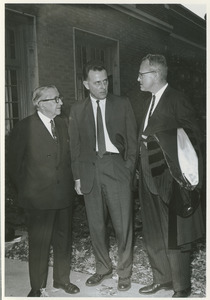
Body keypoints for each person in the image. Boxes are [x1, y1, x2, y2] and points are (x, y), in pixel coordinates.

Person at [136, 54, 205, 298]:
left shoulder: (178, 99)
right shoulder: (147, 101)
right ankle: (162, 279)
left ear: (155, 75)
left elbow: (194, 136)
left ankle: (181, 287)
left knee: (176, 234)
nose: (138, 79)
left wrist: (158, 137)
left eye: (142, 74)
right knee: (154, 230)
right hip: (147, 178)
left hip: (170, 180)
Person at [69, 60, 137, 291]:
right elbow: (75, 148)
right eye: (97, 82)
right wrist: (78, 177)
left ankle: (124, 272)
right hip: (90, 170)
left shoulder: (122, 103)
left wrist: (128, 168)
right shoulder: (77, 109)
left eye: (105, 81)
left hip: (116, 166)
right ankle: (102, 268)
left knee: (122, 225)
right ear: (86, 84)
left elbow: (132, 140)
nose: (103, 86)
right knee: (96, 225)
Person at [8, 85, 80, 297]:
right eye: (55, 99)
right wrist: (28, 191)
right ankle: (36, 287)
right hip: (38, 200)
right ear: (40, 104)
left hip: (64, 196)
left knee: (63, 241)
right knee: (39, 244)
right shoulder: (24, 127)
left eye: (59, 98)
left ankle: (62, 280)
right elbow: (13, 166)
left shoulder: (64, 123)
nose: (60, 102)